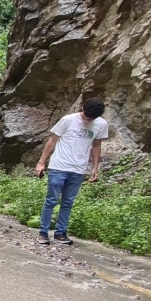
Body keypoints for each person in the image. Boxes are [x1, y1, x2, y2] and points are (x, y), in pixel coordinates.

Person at [34, 99, 109, 246]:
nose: (88, 120)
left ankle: (60, 233)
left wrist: (95, 167)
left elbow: (96, 146)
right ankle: (43, 233)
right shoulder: (68, 120)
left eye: (91, 119)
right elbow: (52, 141)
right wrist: (41, 162)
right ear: (82, 109)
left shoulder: (101, 124)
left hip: (78, 169)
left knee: (68, 202)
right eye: (86, 117)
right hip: (59, 166)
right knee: (51, 200)